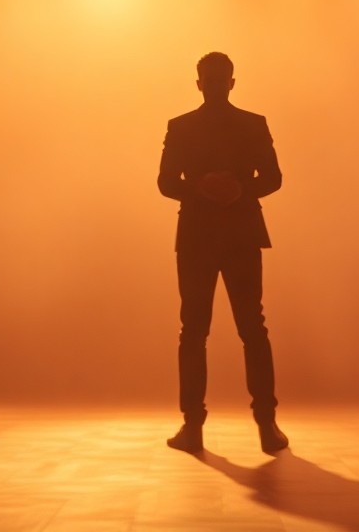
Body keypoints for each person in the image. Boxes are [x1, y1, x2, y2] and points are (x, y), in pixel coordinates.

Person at [157, 52, 289, 455]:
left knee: (198, 332)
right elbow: (272, 178)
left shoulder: (181, 127)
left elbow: (166, 183)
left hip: (204, 236)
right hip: (236, 236)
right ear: (215, 83)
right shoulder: (252, 124)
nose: (214, 85)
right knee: (248, 329)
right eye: (211, 80)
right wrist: (235, 189)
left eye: (217, 80)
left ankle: (195, 428)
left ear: (224, 82)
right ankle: (265, 425)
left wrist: (202, 187)